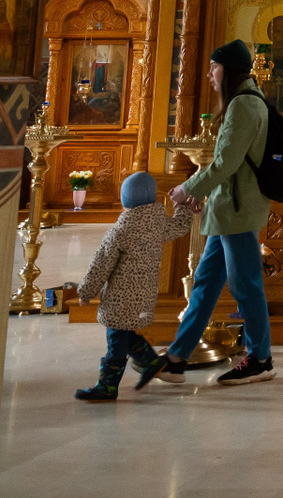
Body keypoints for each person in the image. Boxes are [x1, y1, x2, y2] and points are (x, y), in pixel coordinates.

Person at [148, 39, 275, 387]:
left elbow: (225, 164)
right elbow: (231, 167)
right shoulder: (246, 102)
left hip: (237, 212)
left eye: (214, 67)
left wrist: (189, 188)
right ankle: (177, 357)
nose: (209, 75)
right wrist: (206, 195)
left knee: (245, 286)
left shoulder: (244, 105)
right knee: (204, 285)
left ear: (228, 71)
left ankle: (260, 358)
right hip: (228, 209)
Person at [72, 171, 197, 401]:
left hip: (119, 299)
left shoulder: (120, 231)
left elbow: (100, 265)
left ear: (125, 200)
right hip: (144, 296)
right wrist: (183, 205)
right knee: (126, 333)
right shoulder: (157, 225)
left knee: (116, 342)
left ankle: (107, 386)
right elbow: (180, 225)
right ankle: (151, 363)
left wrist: (86, 292)